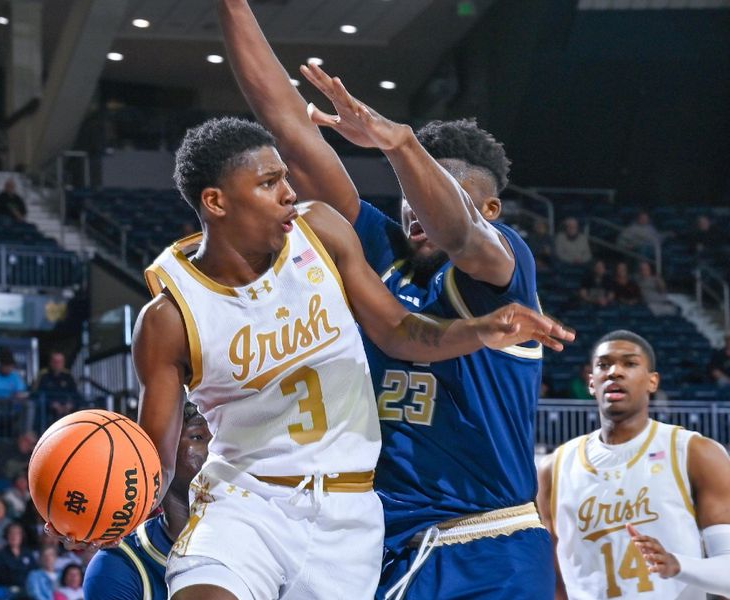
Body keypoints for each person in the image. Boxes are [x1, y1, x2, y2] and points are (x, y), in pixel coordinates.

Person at [134, 115, 571, 600]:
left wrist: (478, 330)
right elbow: (153, 459)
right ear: (215, 201)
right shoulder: (171, 313)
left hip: (353, 518)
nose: (288, 192)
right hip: (248, 497)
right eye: (269, 182)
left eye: (284, 179)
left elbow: (402, 329)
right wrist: (113, 509)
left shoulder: (330, 237)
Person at [217, 2, 574, 597]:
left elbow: (459, 230)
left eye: (434, 189)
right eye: (407, 193)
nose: (414, 206)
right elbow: (289, 131)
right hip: (381, 541)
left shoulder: (501, 269)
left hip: (485, 544)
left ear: (489, 209)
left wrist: (399, 143)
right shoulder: (375, 251)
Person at [538, 330, 730, 599]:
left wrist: (677, 564)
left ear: (652, 381)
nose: (614, 372)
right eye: (604, 365)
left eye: (629, 363)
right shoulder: (554, 468)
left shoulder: (695, 452)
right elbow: (551, 576)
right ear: (592, 382)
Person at [84, 402, 211, 599]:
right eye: (198, 437)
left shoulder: (262, 540)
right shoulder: (119, 566)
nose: (218, 449)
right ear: (160, 456)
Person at [0, 350, 31, 444]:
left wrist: (13, 397)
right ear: (1, 364)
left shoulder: (15, 376)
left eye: (10, 365)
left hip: (11, 406)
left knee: (29, 405)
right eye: (6, 365)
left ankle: (26, 438)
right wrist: (3, 397)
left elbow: (21, 394)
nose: (9, 368)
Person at [33, 351, 81, 419]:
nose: (57, 364)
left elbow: (76, 394)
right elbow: (36, 394)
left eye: (60, 362)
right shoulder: (43, 375)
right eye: (55, 361)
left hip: (67, 409)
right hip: (48, 411)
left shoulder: (68, 376)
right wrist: (52, 404)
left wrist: (70, 404)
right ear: (50, 362)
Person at [0, 522, 36, 590]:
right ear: (6, 535)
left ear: (21, 536)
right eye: (11, 533)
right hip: (6, 589)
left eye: (17, 533)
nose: (14, 536)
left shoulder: (28, 554)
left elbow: (33, 571)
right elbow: (0, 575)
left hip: (26, 589)